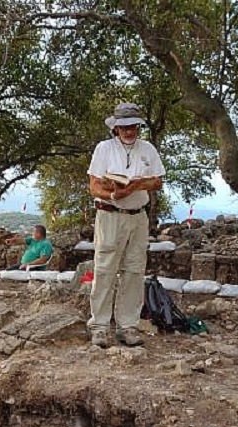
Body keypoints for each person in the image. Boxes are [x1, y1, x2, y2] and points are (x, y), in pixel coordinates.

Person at [86, 102, 165, 348]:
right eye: (124, 127)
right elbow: (94, 186)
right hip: (110, 214)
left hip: (138, 216)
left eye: (133, 126)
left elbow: (158, 181)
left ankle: (127, 325)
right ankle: (99, 326)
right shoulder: (104, 149)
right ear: (116, 128)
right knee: (105, 268)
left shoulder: (148, 149)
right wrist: (112, 194)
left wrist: (135, 186)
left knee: (134, 270)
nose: (129, 131)